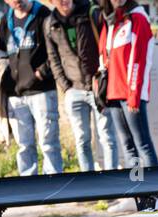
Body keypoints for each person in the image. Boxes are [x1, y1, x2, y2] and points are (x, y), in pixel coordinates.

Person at [45, 0, 117, 172]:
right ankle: (89, 185)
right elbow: (53, 59)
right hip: (73, 91)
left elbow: (108, 45)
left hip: (98, 86)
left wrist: (104, 77)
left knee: (107, 137)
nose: (65, 1)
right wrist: (66, 87)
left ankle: (113, 185)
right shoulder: (50, 24)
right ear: (51, 2)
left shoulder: (90, 12)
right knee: (82, 139)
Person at [0, 0, 63, 176]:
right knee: (24, 145)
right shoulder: (6, 19)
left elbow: (58, 50)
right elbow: (1, 52)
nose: (17, 3)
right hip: (15, 93)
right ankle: (29, 185)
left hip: (42, 90)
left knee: (48, 142)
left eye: (20, 1)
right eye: (13, 1)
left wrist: (40, 73)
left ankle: (54, 184)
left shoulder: (44, 15)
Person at [99, 0, 158, 170]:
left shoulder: (137, 18)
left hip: (131, 94)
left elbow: (138, 59)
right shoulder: (111, 22)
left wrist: (134, 95)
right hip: (113, 94)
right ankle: (138, 191)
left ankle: (153, 193)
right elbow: (105, 60)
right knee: (128, 146)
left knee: (143, 144)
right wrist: (101, 94)